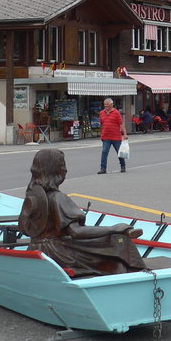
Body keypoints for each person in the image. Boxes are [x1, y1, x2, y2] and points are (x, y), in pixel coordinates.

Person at [18, 148, 146, 277]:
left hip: (37, 248)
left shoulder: (33, 196)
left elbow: (24, 229)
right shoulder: (57, 198)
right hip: (60, 253)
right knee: (119, 241)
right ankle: (137, 276)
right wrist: (113, 229)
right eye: (62, 165)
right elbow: (76, 232)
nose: (65, 169)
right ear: (54, 169)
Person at [97, 97, 127, 173]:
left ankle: (123, 166)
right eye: (105, 105)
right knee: (104, 152)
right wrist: (101, 134)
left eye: (107, 105)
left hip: (116, 136)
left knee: (119, 152)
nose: (106, 107)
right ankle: (103, 168)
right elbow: (101, 124)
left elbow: (121, 124)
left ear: (111, 105)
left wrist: (125, 134)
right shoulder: (101, 113)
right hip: (106, 136)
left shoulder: (116, 113)